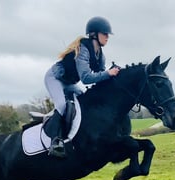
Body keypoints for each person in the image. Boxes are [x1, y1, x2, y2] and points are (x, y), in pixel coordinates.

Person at [44, 16, 120, 158]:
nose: (107, 37)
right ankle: (55, 142)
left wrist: (113, 75)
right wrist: (108, 73)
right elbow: (86, 78)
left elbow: (99, 76)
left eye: (108, 35)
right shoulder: (83, 49)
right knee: (61, 105)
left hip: (69, 83)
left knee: (83, 102)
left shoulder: (99, 55)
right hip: (55, 78)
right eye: (105, 34)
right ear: (94, 34)